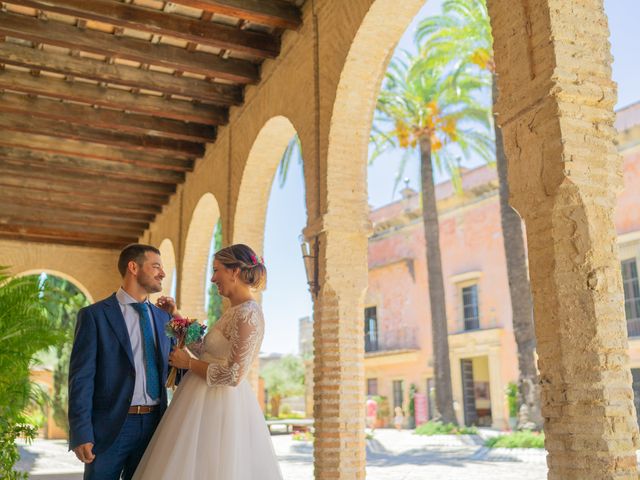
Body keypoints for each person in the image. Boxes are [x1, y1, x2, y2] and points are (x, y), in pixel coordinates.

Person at [133, 244, 283, 480]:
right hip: (199, 398)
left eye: (217, 270)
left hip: (221, 406)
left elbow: (234, 376)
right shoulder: (235, 310)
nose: (213, 278)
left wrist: (188, 364)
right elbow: (204, 350)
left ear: (234, 271)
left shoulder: (249, 313)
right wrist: (176, 315)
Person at [68, 244, 175, 480]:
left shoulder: (163, 317)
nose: (163, 273)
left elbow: (176, 368)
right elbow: (81, 378)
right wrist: (81, 432)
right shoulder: (94, 316)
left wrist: (178, 321)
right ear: (133, 267)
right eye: (156, 266)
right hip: (110, 427)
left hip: (154, 426)